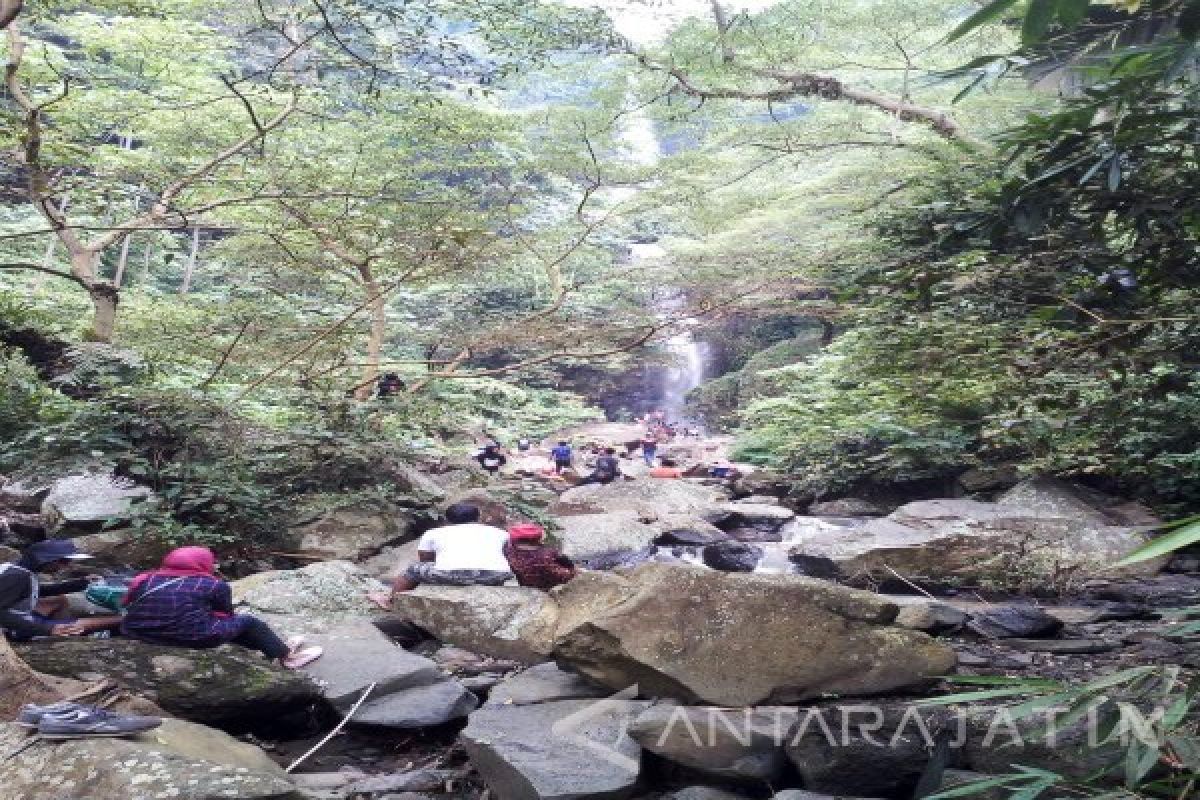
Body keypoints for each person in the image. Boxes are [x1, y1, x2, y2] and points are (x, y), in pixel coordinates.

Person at [121, 546, 323, 669]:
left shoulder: (144, 579)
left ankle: (275, 647)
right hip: (186, 638)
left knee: (226, 624)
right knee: (248, 622)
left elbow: (128, 603)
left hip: (137, 633)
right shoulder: (213, 585)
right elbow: (225, 615)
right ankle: (287, 657)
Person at [369, 503, 513, 606]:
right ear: (478, 517)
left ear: (448, 519)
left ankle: (390, 601)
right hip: (496, 575)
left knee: (412, 570)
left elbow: (425, 559)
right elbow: (509, 555)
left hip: (450, 575)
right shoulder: (500, 533)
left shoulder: (434, 533)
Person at [0, 539, 121, 640]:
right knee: (106, 621)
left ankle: (64, 633)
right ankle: (65, 629)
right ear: (45, 560)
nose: (67, 565)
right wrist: (48, 629)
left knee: (59, 600)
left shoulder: (14, 569)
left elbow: (34, 590)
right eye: (64, 561)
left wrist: (81, 583)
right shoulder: (18, 577)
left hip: (17, 618)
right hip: (12, 629)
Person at [503, 523, 576, 590]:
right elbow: (562, 576)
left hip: (526, 584)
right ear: (536, 540)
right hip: (545, 587)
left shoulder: (508, 549)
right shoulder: (543, 557)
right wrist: (573, 571)